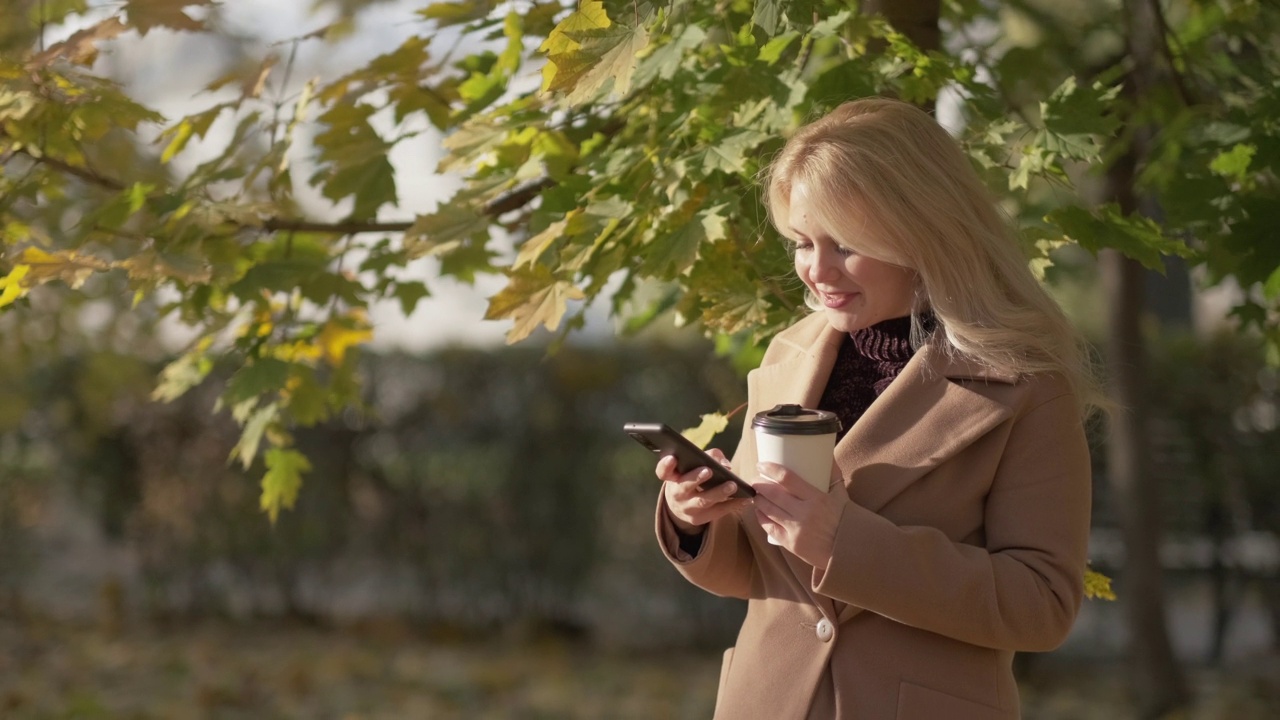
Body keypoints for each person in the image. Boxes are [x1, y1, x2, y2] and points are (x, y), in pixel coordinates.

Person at [653, 98, 1103, 719]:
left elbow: (1042, 605)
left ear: (921, 232)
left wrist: (847, 543)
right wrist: (697, 519)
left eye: (844, 244)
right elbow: (765, 578)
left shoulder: (1024, 383)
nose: (815, 270)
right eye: (801, 242)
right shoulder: (789, 354)